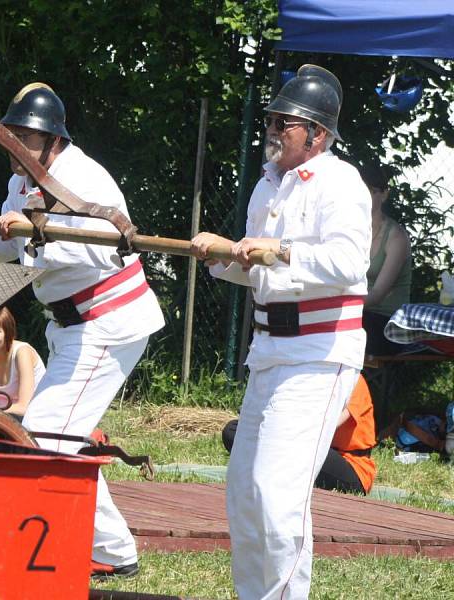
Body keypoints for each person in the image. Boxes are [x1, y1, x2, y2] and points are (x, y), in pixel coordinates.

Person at [0, 83, 164, 578]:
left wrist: (27, 230)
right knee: (62, 435)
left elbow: (101, 247)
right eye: (12, 136)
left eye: (26, 136)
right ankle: (115, 550)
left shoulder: (85, 177)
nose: (16, 146)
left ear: (53, 139)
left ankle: (100, 551)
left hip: (107, 322)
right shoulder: (23, 178)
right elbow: (12, 248)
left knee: (45, 436)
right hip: (69, 325)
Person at [191, 64, 371, 599]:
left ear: (317, 133)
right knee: (244, 491)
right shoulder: (267, 186)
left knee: (277, 494)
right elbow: (257, 269)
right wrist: (221, 255)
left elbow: (347, 261)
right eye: (271, 119)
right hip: (269, 350)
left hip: (320, 354)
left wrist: (277, 251)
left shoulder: (341, 182)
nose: (272, 129)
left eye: (285, 122)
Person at [222, 374, 377, 495]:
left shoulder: (353, 379)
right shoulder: (307, 380)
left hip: (351, 466)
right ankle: (276, 472)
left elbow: (327, 425)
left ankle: (274, 471)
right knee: (234, 430)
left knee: (292, 445)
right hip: (301, 447)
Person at [360, 163, 412, 355]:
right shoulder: (349, 231)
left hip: (388, 324)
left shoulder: (396, 237)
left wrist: (336, 304)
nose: (365, 197)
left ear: (384, 194)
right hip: (359, 315)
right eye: (361, 190)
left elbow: (377, 295)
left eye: (372, 191)